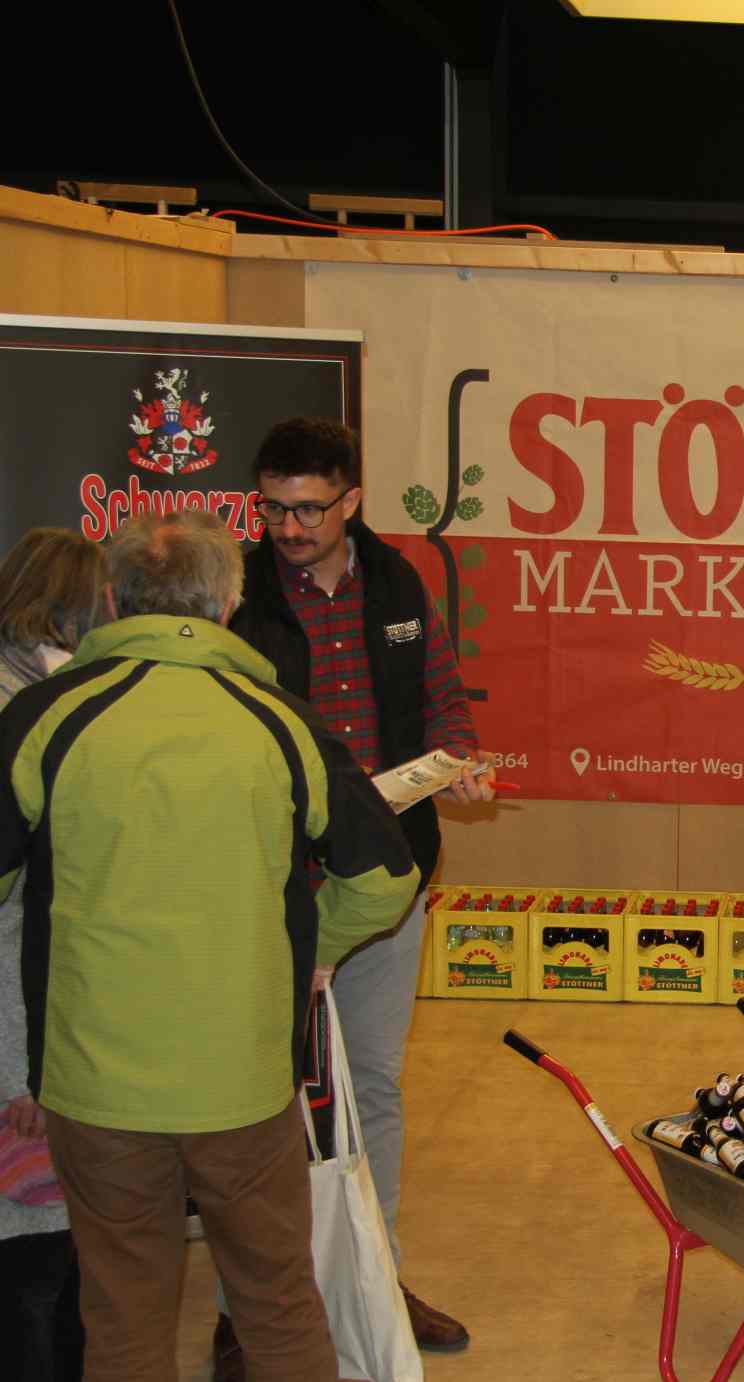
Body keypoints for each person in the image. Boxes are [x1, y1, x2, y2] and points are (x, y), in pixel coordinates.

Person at [0, 511, 421, 1381]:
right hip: (243, 1080)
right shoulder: (282, 721)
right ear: (229, 604)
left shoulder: (46, 715)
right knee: (277, 1302)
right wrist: (309, 954)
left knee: (123, 1312)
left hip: (93, 1079)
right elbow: (386, 874)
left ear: (111, 601)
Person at [221, 416, 493, 1376]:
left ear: (352, 501)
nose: (289, 529)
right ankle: (249, 1308)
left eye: (308, 509)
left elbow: (441, 695)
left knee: (372, 1083)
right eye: (273, 509)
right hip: (270, 886)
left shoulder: (397, 583)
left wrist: (457, 759)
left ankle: (378, 1277)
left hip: (385, 879)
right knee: (257, 1098)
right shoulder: (236, 594)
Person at [0, 528, 106, 1382]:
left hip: (44, 1036)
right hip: (26, 1049)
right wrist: (22, 1073)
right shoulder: (31, 715)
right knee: (38, 1275)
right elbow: (12, 923)